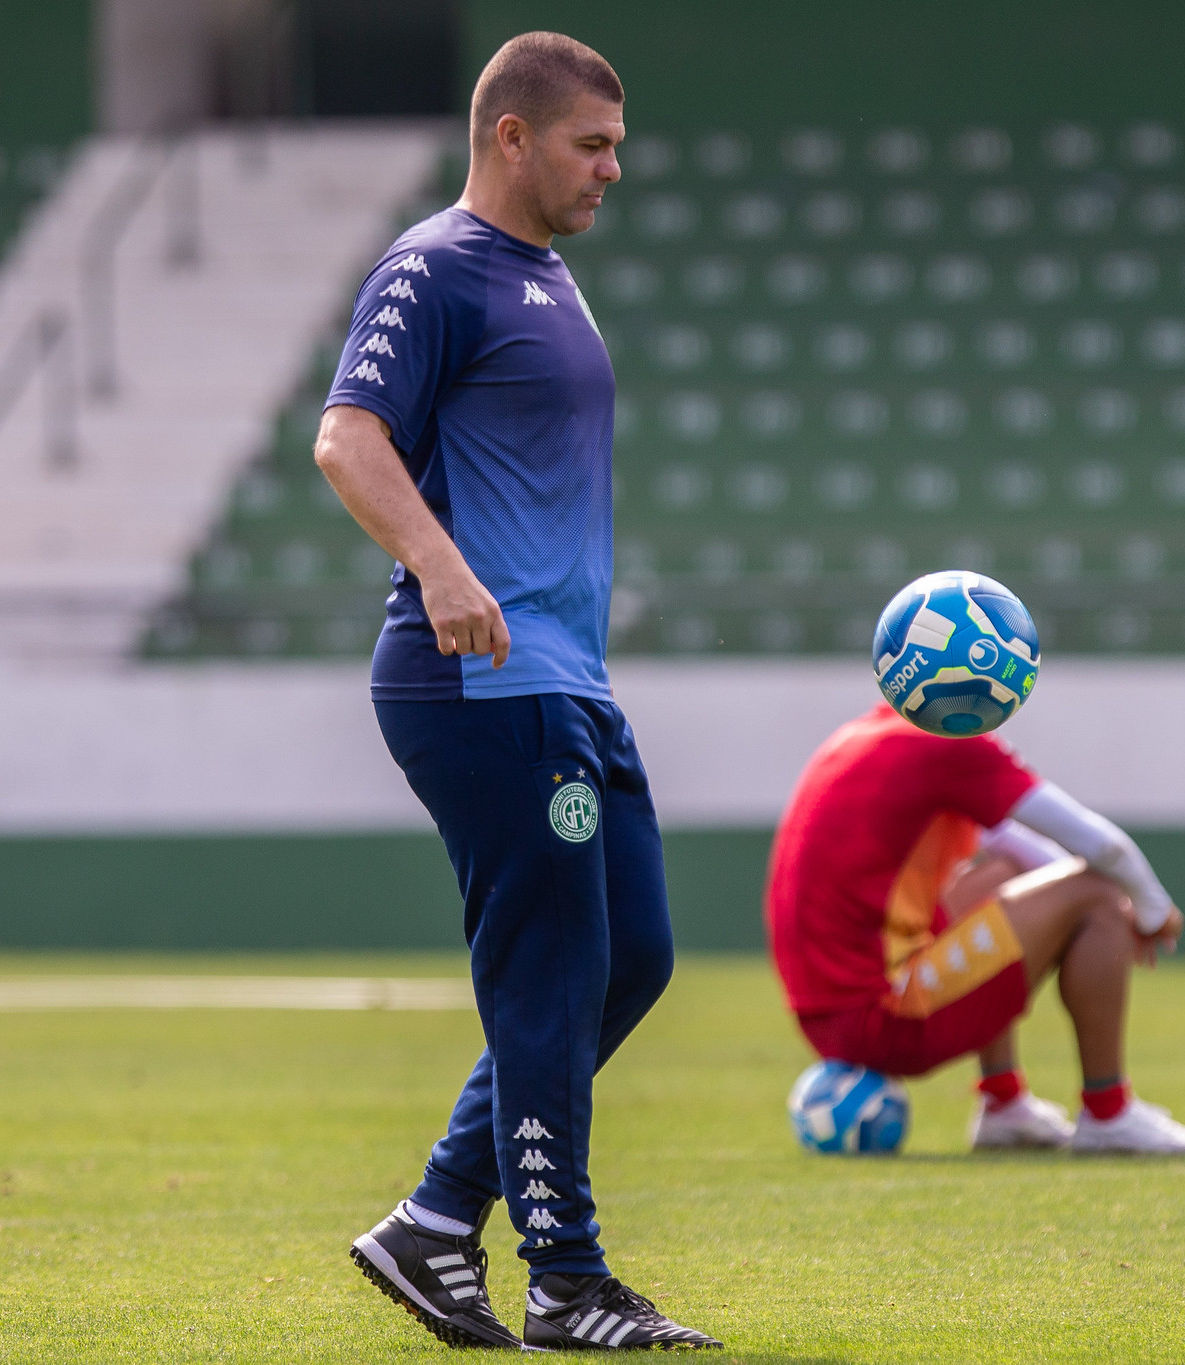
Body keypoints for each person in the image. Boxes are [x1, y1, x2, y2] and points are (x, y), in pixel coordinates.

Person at [312, 31, 718, 1352]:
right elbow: (346, 437)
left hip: (563, 682)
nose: (613, 168)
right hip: (480, 681)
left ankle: (435, 1220)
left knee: (629, 958)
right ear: (511, 136)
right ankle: (567, 1280)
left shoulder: (548, 277)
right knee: (549, 974)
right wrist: (440, 567)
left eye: (616, 145)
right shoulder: (433, 268)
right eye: (591, 145)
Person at [766, 702, 1185, 1155]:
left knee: (1005, 875)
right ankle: (1108, 1114)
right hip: (885, 1017)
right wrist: (1150, 909)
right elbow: (1104, 849)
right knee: (1098, 889)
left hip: (826, 1020)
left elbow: (1018, 848)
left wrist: (1075, 908)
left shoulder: (864, 736)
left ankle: (1004, 1103)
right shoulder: (948, 744)